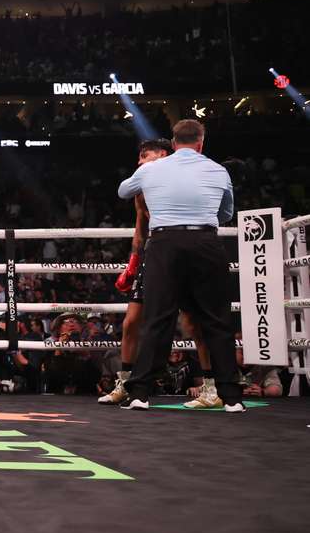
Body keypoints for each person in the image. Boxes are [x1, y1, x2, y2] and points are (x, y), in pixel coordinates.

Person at [117, 119, 243, 412]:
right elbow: (225, 214)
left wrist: (149, 176)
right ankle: (232, 398)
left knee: (158, 318)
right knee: (216, 319)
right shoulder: (218, 170)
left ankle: (140, 394)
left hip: (165, 243)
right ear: (201, 143)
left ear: (173, 144)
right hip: (206, 243)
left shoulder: (150, 168)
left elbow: (124, 191)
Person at [101, 139, 220, 408]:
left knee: (193, 323)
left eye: (145, 155)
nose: (139, 161)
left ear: (163, 154)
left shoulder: (181, 181)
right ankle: (125, 383)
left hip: (182, 252)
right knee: (131, 322)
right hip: (152, 256)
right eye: (139, 157)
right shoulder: (141, 188)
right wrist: (133, 262)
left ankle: (210, 387)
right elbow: (140, 224)